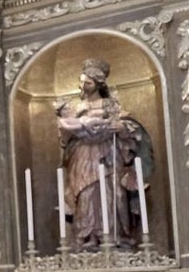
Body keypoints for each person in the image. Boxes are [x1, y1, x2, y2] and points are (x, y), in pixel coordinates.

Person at [56, 58, 150, 250]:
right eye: (81, 82)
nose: (83, 86)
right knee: (85, 195)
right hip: (82, 156)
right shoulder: (77, 108)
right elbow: (66, 138)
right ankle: (87, 238)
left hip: (108, 153)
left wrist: (122, 128)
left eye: (87, 83)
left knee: (112, 193)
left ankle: (115, 237)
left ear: (98, 84)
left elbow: (130, 126)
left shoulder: (110, 105)